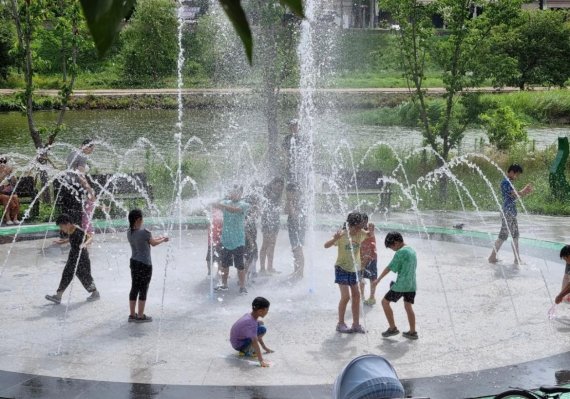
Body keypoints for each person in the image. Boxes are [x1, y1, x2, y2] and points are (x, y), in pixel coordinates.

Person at [324, 211, 374, 334]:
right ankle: (340, 323)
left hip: (354, 269)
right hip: (341, 268)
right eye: (357, 227)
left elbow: (369, 235)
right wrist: (334, 239)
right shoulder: (342, 235)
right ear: (350, 225)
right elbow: (326, 245)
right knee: (346, 297)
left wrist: (371, 230)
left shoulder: (360, 233)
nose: (359, 230)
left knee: (356, 296)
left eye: (361, 227)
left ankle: (356, 324)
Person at [45, 213, 100, 304]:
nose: (61, 229)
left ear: (67, 224)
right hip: (73, 256)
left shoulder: (77, 229)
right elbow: (71, 238)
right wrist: (62, 242)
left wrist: (85, 244)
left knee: (84, 276)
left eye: (61, 226)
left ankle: (95, 293)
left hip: (81, 258)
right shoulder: (70, 230)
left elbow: (90, 238)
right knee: (66, 274)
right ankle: (58, 296)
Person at [373, 231, 418, 340]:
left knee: (384, 302)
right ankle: (412, 332)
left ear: (397, 242)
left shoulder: (400, 252)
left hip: (401, 285)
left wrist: (378, 280)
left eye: (391, 246)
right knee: (408, 306)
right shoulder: (412, 250)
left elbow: (390, 267)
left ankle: (392, 328)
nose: (392, 249)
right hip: (412, 285)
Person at [126, 209, 169, 323]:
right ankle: (140, 316)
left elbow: (150, 240)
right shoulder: (145, 232)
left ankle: (132, 315)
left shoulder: (129, 232)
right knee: (143, 289)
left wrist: (161, 238)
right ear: (138, 219)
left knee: (134, 287)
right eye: (142, 219)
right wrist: (163, 240)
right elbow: (153, 243)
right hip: (145, 264)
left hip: (134, 262)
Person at [488, 164, 533, 265]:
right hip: (507, 212)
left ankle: (517, 259)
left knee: (515, 235)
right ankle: (492, 257)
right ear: (511, 172)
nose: (517, 177)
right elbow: (515, 194)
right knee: (503, 235)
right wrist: (525, 191)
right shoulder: (505, 182)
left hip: (511, 212)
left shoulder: (509, 182)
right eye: (517, 174)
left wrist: (524, 192)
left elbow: (514, 196)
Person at [213, 185, 250, 294]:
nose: (234, 194)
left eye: (237, 192)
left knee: (240, 265)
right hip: (226, 239)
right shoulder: (225, 202)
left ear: (241, 194)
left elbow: (234, 210)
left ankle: (243, 286)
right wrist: (214, 201)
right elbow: (215, 204)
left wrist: (221, 204)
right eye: (232, 192)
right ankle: (224, 285)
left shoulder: (244, 204)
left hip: (238, 241)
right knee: (224, 265)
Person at [59, 139, 95, 228]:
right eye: (92, 149)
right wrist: (90, 191)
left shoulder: (72, 153)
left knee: (66, 212)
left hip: (65, 185)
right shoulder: (82, 156)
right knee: (77, 212)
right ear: (87, 147)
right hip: (74, 187)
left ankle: (64, 235)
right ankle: (76, 235)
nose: (92, 151)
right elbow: (81, 176)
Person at [230, 296, 273, 367]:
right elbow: (255, 341)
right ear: (260, 311)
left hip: (235, 341)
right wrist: (261, 361)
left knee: (260, 323)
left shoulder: (249, 316)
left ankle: (246, 349)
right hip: (239, 345)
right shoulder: (251, 324)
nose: (267, 312)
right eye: (267, 310)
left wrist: (265, 348)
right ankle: (247, 351)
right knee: (262, 329)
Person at [259, 177, 284, 275]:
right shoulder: (267, 194)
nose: (280, 188)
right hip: (267, 221)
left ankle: (270, 267)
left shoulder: (278, 195)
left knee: (272, 244)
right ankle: (262, 268)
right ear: (273, 185)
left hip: (275, 222)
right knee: (265, 244)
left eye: (281, 186)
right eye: (278, 185)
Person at [285, 182, 305, 279]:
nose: (288, 194)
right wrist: (289, 201)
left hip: (298, 227)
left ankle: (300, 273)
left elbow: (293, 214)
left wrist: (289, 201)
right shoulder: (292, 200)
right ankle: (296, 270)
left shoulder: (299, 201)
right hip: (292, 227)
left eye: (289, 192)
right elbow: (285, 211)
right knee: (295, 249)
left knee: (298, 249)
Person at [359, 213, 378, 306]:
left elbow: (371, 237)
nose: (361, 223)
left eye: (363, 221)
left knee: (372, 278)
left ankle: (372, 297)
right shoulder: (358, 230)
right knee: (360, 277)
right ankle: (361, 296)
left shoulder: (369, 230)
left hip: (371, 258)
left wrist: (371, 230)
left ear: (366, 221)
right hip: (361, 257)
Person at [244, 190, 261, 284]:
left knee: (253, 256)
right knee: (248, 257)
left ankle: (249, 274)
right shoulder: (246, 215)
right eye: (254, 202)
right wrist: (250, 240)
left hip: (252, 239)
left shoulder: (251, 214)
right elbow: (245, 229)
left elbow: (259, 213)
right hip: (248, 240)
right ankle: (245, 277)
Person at [0, 155, 20, 225]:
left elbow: (15, 183)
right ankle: (8, 218)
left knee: (15, 197)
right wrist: (3, 173)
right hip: (1, 194)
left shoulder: (8, 170)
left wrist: (12, 174)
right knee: (5, 198)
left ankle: (15, 218)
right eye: (0, 162)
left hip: (8, 193)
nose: (2, 163)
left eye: (4, 161)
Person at [206, 207, 223, 277]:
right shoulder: (215, 212)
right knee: (215, 258)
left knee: (211, 257)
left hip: (215, 239)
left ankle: (211, 272)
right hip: (214, 239)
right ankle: (213, 272)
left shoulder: (220, 212)